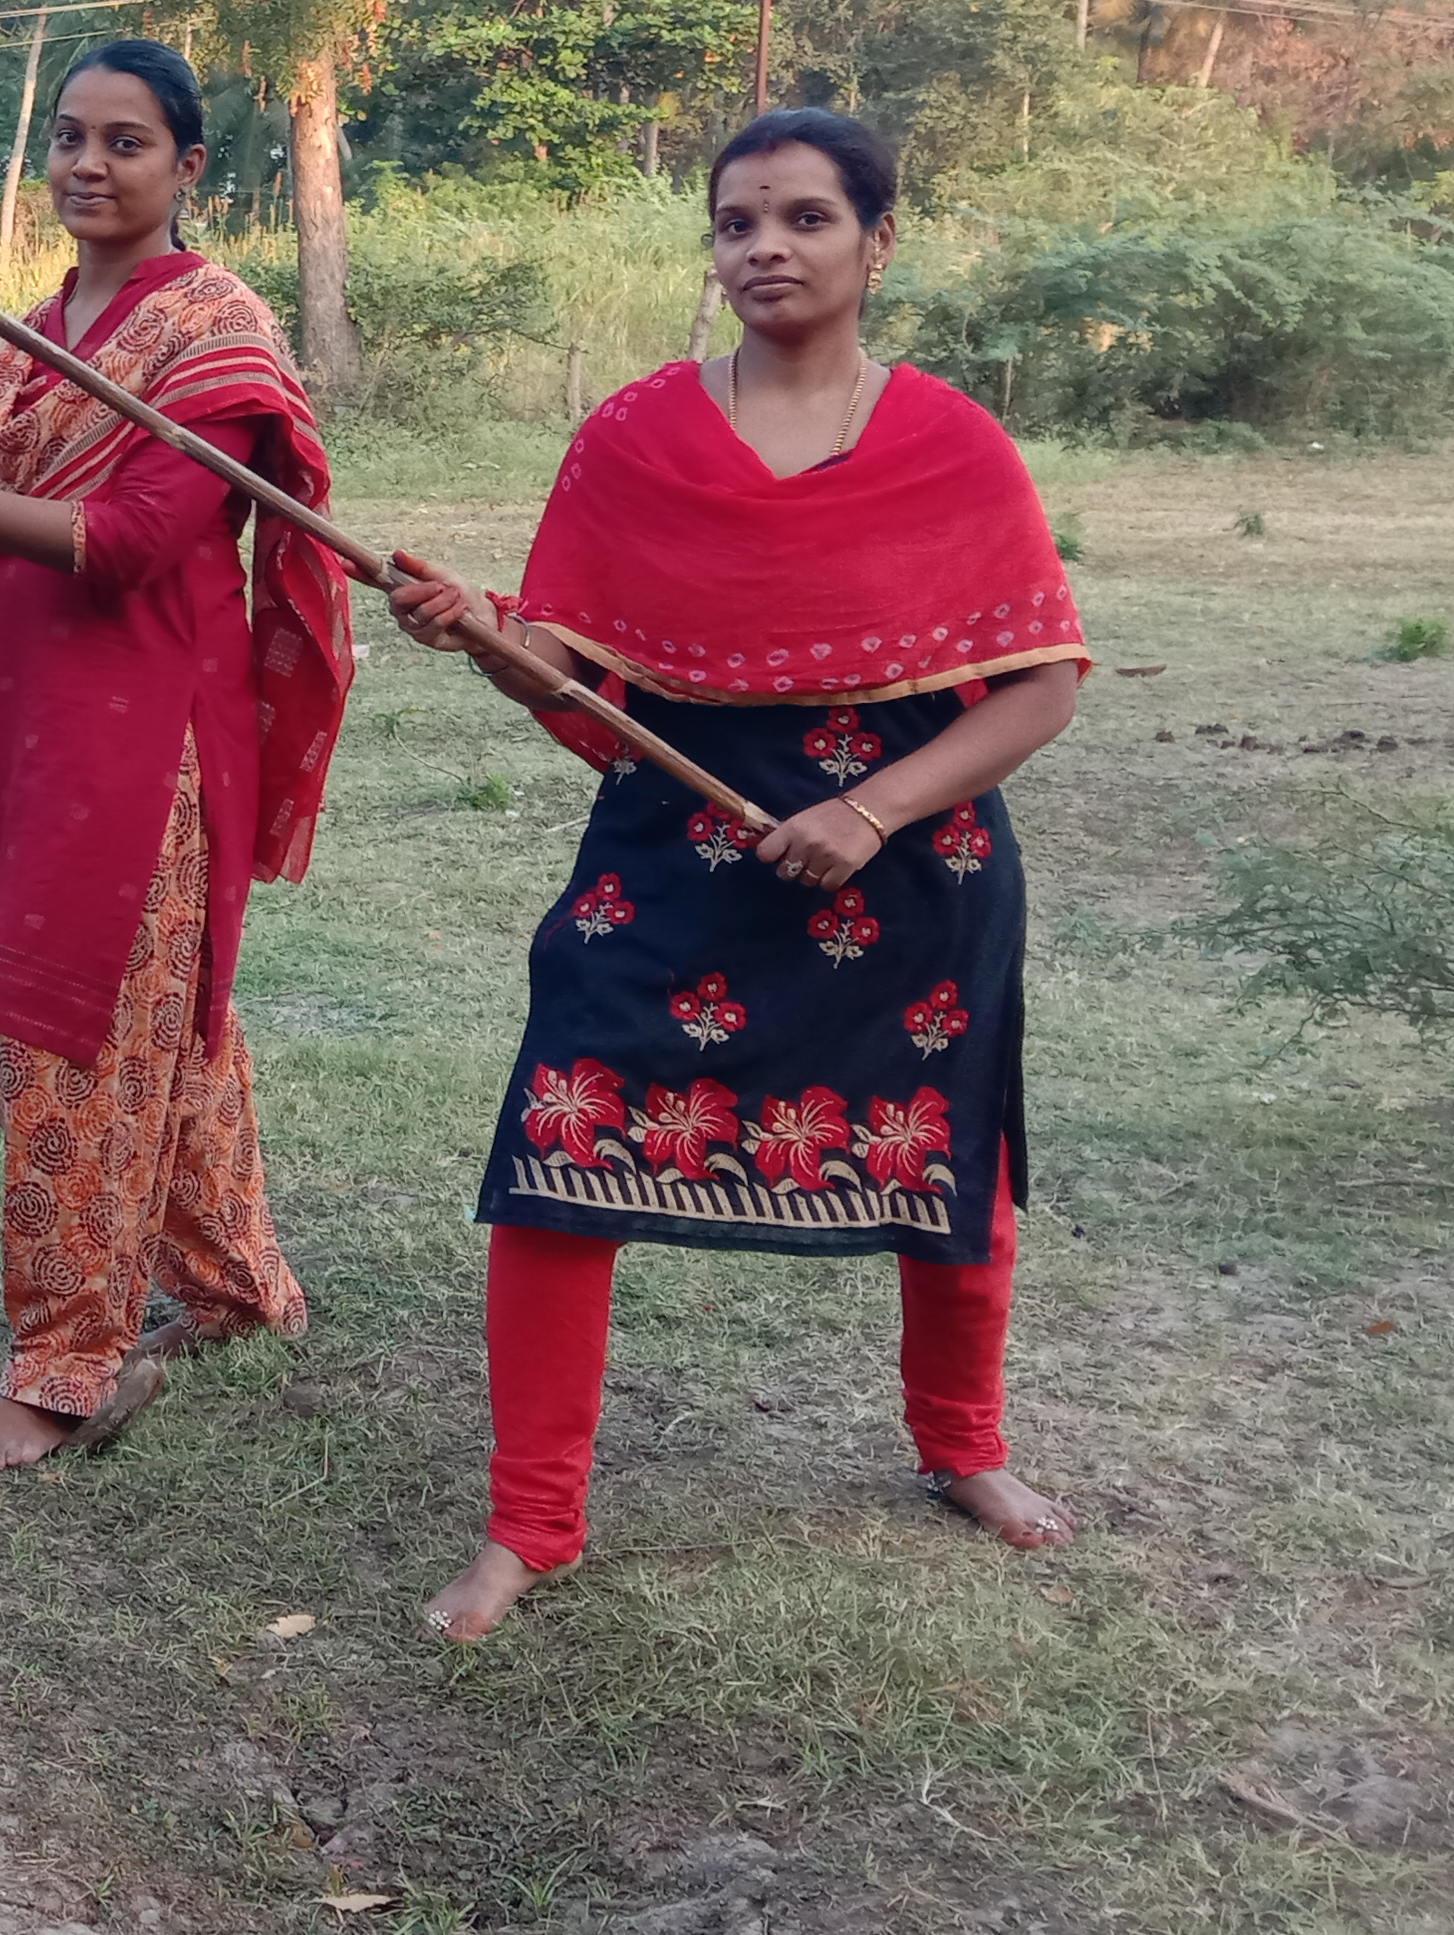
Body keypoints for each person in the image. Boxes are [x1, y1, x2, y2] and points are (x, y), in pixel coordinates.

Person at [386, 107, 1088, 1641]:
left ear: (875, 242)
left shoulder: (954, 444)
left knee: (955, 1163)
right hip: (672, 856)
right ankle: (530, 1524)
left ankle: (963, 1448)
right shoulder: (633, 437)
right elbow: (569, 679)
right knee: (559, 1162)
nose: (767, 245)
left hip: (909, 867)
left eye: (806, 218)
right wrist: (482, 631)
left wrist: (875, 812)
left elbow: (1042, 685)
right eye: (738, 222)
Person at [0, 42, 351, 1471]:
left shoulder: (215, 328)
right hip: (38, 713)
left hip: (148, 730)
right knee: (166, 1023)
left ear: (188, 168)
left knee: (80, 1028)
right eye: (73, 140)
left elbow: (138, 541)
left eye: (128, 143)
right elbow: (20, 531)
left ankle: (65, 1363)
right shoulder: (42, 325)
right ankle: (231, 1289)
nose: (91, 166)